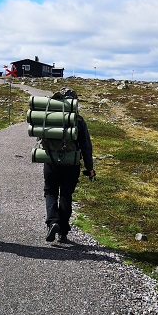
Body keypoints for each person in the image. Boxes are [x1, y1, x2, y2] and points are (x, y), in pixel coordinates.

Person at [43, 87, 95, 243]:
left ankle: (53, 222)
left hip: (51, 161)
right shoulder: (78, 120)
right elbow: (86, 146)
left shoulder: (48, 116)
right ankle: (63, 232)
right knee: (66, 194)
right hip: (71, 163)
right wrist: (90, 167)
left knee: (50, 192)